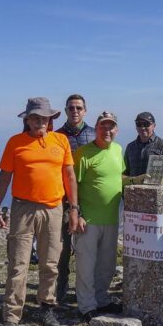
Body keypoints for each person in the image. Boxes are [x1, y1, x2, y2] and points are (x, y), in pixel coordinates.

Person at [0, 97, 79, 326]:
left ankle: (46, 307)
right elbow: (4, 176)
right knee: (18, 263)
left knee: (50, 263)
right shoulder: (15, 142)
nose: (40, 121)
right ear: (27, 120)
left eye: (44, 117)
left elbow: (69, 176)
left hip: (53, 208)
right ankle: (12, 314)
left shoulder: (60, 140)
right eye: (35, 117)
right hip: (23, 207)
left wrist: (74, 209)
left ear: (50, 119)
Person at [73, 111, 128, 322]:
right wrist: (77, 213)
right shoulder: (83, 153)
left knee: (107, 264)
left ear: (117, 130)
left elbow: (118, 176)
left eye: (111, 127)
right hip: (89, 219)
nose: (107, 130)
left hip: (112, 218)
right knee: (86, 264)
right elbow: (74, 184)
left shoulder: (117, 149)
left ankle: (102, 299)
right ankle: (86, 306)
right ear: (95, 128)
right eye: (103, 126)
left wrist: (136, 180)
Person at [54, 94, 96, 303]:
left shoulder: (94, 135)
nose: (75, 111)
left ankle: (87, 289)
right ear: (66, 110)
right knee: (61, 246)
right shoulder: (57, 135)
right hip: (62, 198)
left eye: (79, 108)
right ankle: (61, 287)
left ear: (85, 110)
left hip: (89, 197)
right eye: (71, 108)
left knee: (87, 246)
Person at [124, 111, 163, 185]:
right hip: (134, 193)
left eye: (146, 124)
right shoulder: (130, 147)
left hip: (156, 193)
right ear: (136, 127)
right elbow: (125, 173)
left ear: (154, 126)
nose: (142, 127)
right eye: (139, 124)